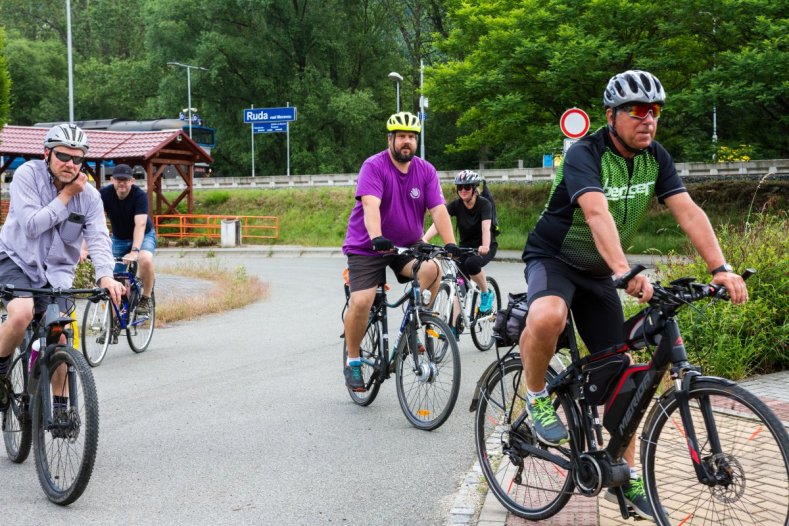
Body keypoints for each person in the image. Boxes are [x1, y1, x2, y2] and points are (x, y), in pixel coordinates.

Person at [518, 70, 748, 520]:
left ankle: (621, 469)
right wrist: (625, 271)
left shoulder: (655, 157)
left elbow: (688, 211)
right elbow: (596, 212)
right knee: (548, 317)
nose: (648, 119)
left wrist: (720, 268)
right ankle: (537, 392)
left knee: (626, 372)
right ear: (611, 116)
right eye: (637, 111)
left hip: (601, 271)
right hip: (555, 257)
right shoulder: (585, 153)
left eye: (655, 111)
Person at [0, 124, 125, 387]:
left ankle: (60, 414)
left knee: (61, 337)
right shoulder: (27, 175)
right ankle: (0, 375)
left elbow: (99, 238)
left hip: (56, 273)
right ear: (47, 153)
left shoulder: (90, 197)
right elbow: (32, 225)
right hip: (16, 259)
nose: (70, 163)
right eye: (63, 156)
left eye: (77, 158)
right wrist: (67, 195)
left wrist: (105, 276)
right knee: (22, 313)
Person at [342, 111, 458, 391]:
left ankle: (414, 321)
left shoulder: (425, 170)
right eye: (402, 137)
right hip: (368, 244)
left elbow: (439, 210)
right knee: (362, 301)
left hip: (406, 243)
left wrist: (451, 243)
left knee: (433, 269)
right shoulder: (374, 166)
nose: (407, 142)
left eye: (412, 137)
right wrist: (377, 236)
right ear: (390, 139)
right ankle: (353, 360)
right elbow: (370, 205)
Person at [422, 170, 498, 335]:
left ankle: (486, 293)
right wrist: (424, 239)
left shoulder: (484, 204)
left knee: (472, 264)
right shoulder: (456, 205)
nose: (463, 190)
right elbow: (439, 221)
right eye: (460, 187)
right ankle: (454, 327)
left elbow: (486, 228)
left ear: (474, 188)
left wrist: (484, 246)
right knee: (458, 285)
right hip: (464, 247)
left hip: (484, 246)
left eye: (467, 187)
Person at [97, 163, 157, 317]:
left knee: (145, 259)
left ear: (132, 181)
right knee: (113, 278)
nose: (122, 183)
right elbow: (94, 220)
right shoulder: (104, 194)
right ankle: (114, 323)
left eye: (126, 179)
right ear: (112, 180)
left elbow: (141, 224)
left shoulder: (139, 196)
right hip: (119, 237)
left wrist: (135, 251)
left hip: (144, 234)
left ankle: (146, 297)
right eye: (119, 179)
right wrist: (85, 248)